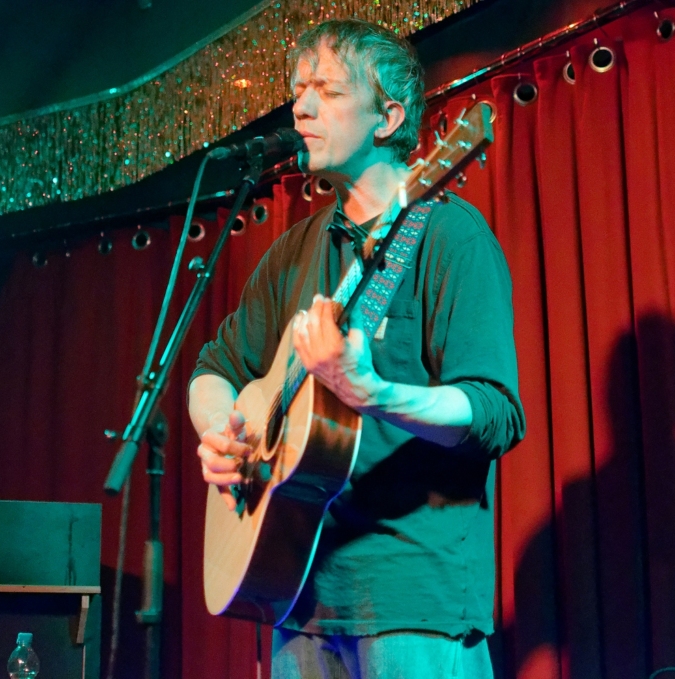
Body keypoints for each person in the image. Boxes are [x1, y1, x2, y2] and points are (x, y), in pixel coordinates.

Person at [188, 18, 525, 679]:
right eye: (297, 90)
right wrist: (222, 434)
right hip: (299, 590)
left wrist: (374, 393)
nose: (301, 107)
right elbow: (214, 369)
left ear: (388, 116)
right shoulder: (292, 253)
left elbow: (493, 411)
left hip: (412, 599)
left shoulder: (450, 237)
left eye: (328, 91)